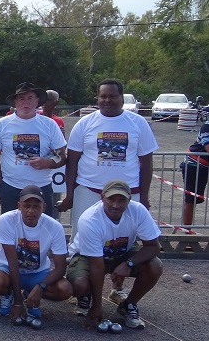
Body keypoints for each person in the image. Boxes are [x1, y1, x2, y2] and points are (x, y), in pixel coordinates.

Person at [58, 78, 157, 231]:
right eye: (103, 96)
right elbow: (72, 163)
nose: (107, 100)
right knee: (82, 235)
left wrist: (144, 196)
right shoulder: (84, 123)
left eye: (112, 96)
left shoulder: (138, 123)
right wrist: (70, 195)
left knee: (123, 237)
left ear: (121, 98)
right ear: (97, 98)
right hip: (88, 191)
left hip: (127, 192)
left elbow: (146, 163)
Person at [65, 179, 163, 332]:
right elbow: (97, 265)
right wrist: (97, 306)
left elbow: (154, 246)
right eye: (111, 199)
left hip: (122, 252)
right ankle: (86, 295)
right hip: (87, 256)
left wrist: (128, 263)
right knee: (80, 285)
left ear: (129, 200)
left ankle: (128, 305)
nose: (116, 205)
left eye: (121, 200)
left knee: (155, 266)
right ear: (102, 197)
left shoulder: (138, 210)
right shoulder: (90, 219)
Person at [0, 184, 72, 326]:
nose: (31, 211)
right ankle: (9, 294)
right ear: (19, 206)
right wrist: (18, 303)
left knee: (65, 289)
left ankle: (30, 293)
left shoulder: (55, 227)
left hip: (37, 272)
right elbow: (13, 262)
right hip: (8, 269)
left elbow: (60, 268)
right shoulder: (6, 220)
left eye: (36, 206)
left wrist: (41, 287)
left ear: (44, 207)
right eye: (26, 206)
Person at [0, 82, 67, 216]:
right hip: (11, 187)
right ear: (15, 102)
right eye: (21, 98)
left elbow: (62, 156)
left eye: (30, 98)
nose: (26, 102)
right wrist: (1, 186)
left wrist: (47, 163)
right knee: (10, 226)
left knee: (43, 226)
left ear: (37, 101)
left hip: (41, 187)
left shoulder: (50, 125)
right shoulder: (1, 124)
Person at [180, 103, 209, 227]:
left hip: (208, 164)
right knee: (191, 199)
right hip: (194, 164)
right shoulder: (208, 126)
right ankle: (187, 231)